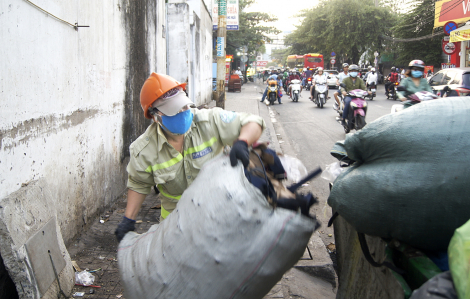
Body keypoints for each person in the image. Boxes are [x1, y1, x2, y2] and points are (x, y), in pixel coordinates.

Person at [115, 73, 265, 242]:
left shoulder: (208, 121)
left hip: (220, 216)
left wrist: (242, 142)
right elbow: (139, 184)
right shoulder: (144, 150)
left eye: (184, 106)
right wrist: (128, 219)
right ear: (156, 116)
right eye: (174, 111)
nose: (183, 112)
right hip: (175, 227)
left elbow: (253, 121)